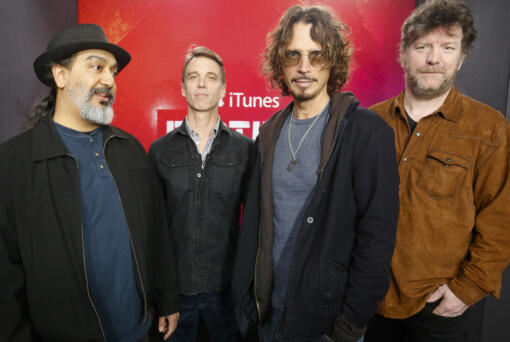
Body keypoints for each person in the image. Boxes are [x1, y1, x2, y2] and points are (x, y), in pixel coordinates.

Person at [0, 24, 179, 341]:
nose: (109, 80)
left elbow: (156, 232)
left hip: (139, 334)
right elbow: (5, 276)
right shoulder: (13, 162)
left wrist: (166, 298)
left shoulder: (132, 150)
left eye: (112, 71)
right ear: (60, 76)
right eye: (96, 66)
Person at [231, 5, 400, 342]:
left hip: (326, 324)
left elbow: (377, 238)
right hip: (269, 317)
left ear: (333, 61)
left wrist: (348, 326)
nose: (304, 67)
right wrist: (249, 306)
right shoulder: (268, 134)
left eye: (316, 55)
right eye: (293, 55)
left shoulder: (365, 132)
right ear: (280, 62)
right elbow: (256, 225)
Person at [364, 1, 510, 341]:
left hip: (437, 307)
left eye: (447, 47)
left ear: (461, 58)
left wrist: (468, 287)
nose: (433, 58)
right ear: (403, 54)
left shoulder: (488, 128)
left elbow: (500, 218)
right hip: (367, 301)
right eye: (423, 47)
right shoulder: (369, 122)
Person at [149, 46, 253, 342]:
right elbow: (152, 231)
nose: (202, 83)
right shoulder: (159, 151)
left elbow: (256, 227)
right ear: (183, 88)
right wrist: (162, 294)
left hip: (227, 295)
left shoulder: (245, 150)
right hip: (175, 297)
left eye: (211, 77)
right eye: (193, 77)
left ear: (223, 89)